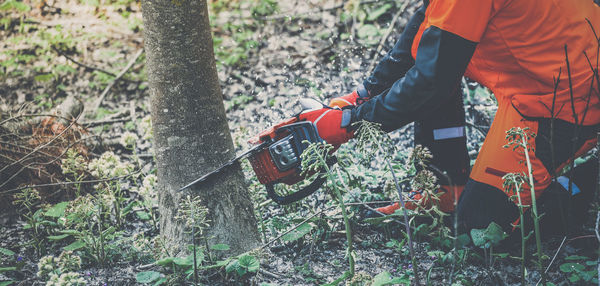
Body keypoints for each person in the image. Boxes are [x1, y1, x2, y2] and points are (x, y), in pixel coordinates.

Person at [296, 0, 600, 236]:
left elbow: (430, 81)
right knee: (436, 64)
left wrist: (350, 123)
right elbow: (423, 38)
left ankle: (588, 182)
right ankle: (443, 192)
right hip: (531, 88)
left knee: (481, 228)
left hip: (569, 103)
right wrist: (359, 98)